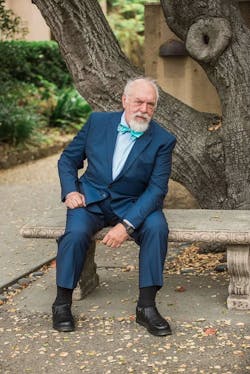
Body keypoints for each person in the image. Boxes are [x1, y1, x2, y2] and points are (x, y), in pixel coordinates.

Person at [52, 77, 176, 336]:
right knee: (74, 234)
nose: (143, 109)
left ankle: (146, 307)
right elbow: (68, 160)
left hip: (133, 203)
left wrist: (127, 225)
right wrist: (71, 190)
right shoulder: (97, 122)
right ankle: (62, 303)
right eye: (139, 101)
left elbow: (156, 189)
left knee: (156, 228)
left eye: (150, 104)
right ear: (125, 101)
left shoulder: (163, 139)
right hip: (90, 198)